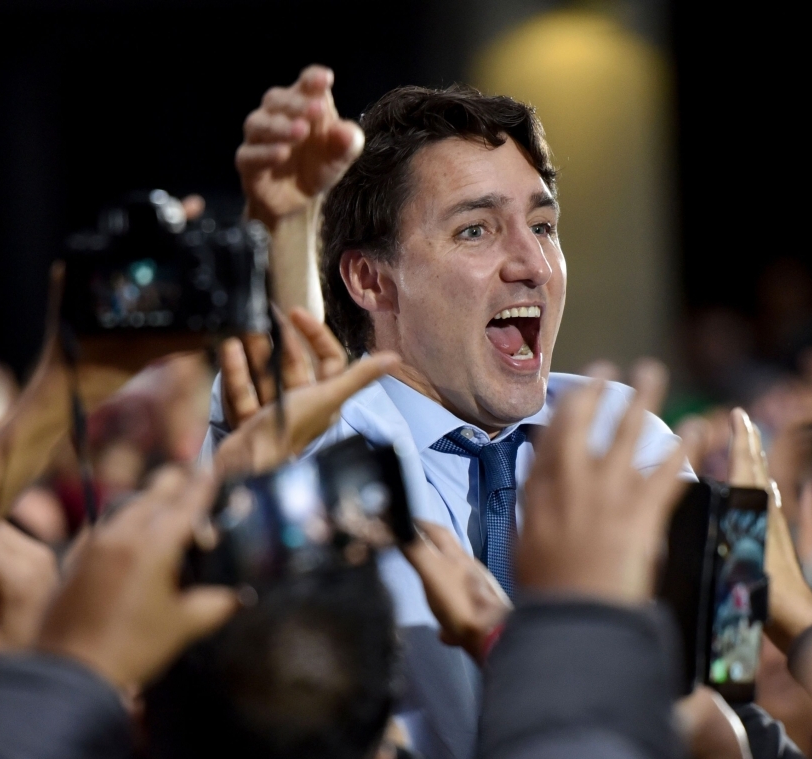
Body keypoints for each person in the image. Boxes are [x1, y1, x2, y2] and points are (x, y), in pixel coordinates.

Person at [204, 65, 693, 758]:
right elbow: (279, 396)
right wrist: (286, 227)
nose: (532, 263)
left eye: (543, 224)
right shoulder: (337, 439)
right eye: (476, 231)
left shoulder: (615, 433)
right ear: (371, 278)